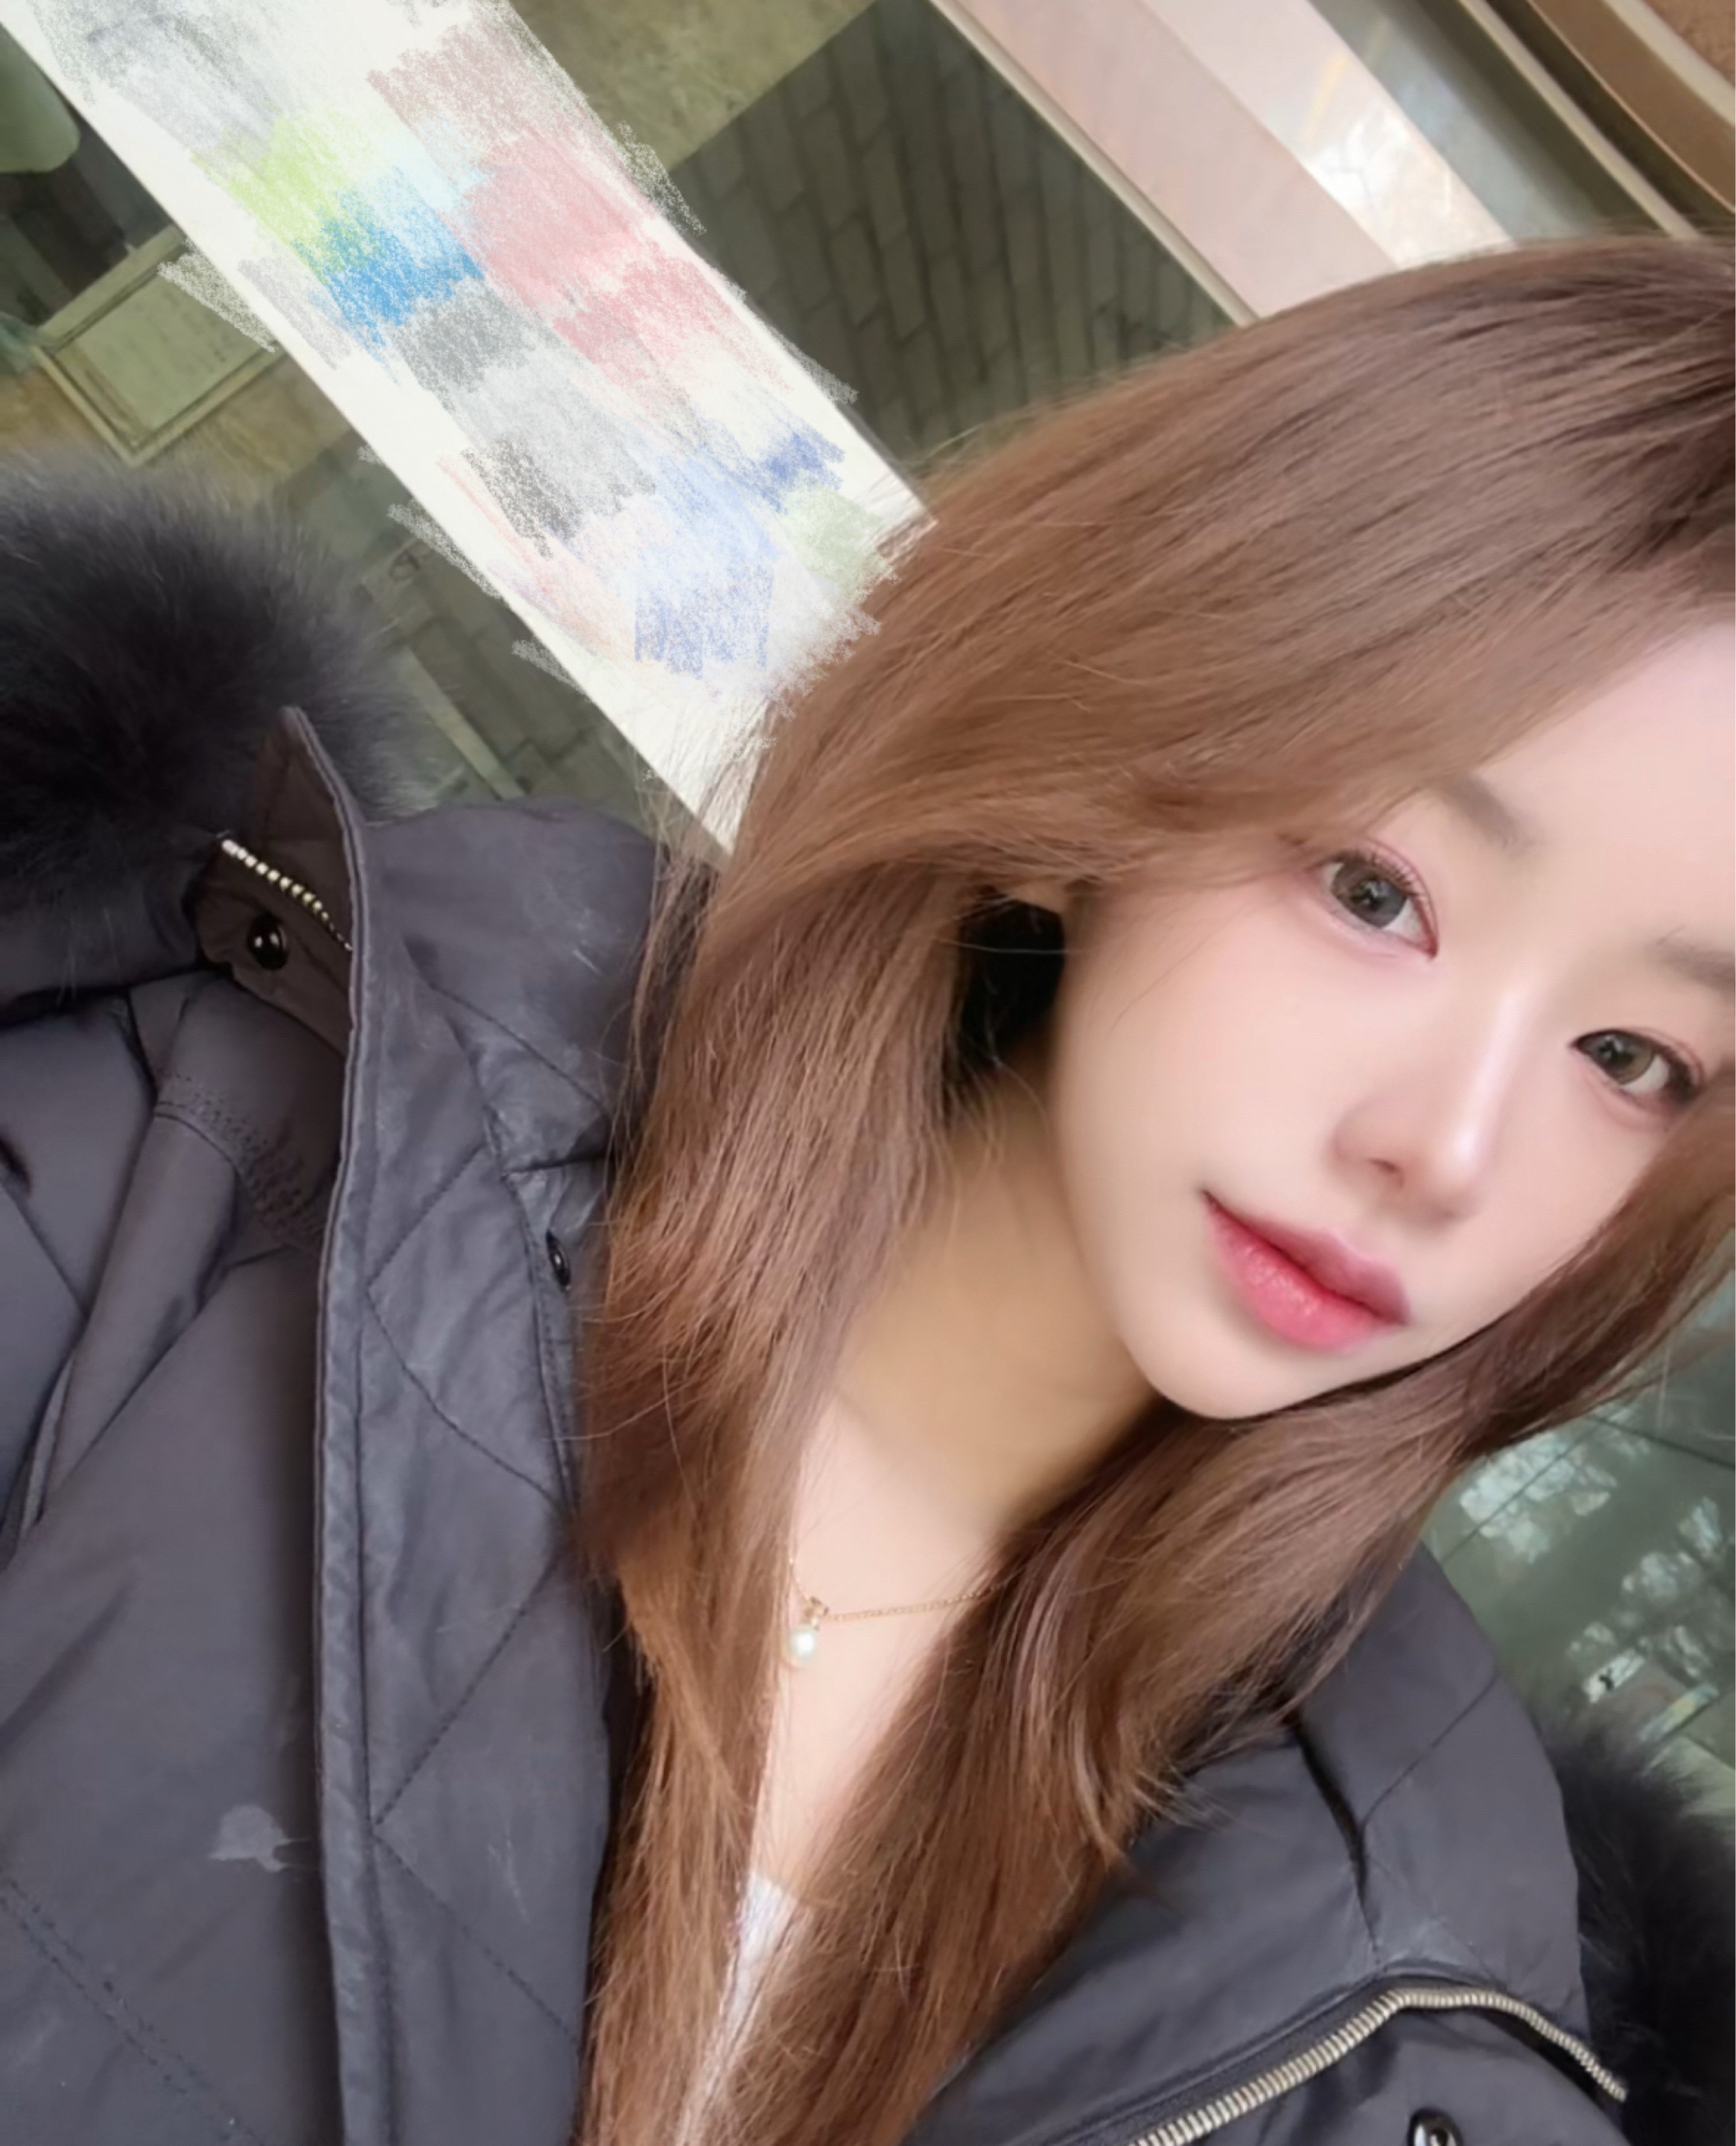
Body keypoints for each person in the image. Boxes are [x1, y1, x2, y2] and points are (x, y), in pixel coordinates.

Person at [0, 234, 1730, 2146]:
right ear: (1111, 761)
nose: (1450, 1150)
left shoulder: (1429, 2029)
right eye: (1378, 892)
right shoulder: (194, 1180)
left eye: (1632, 1059)